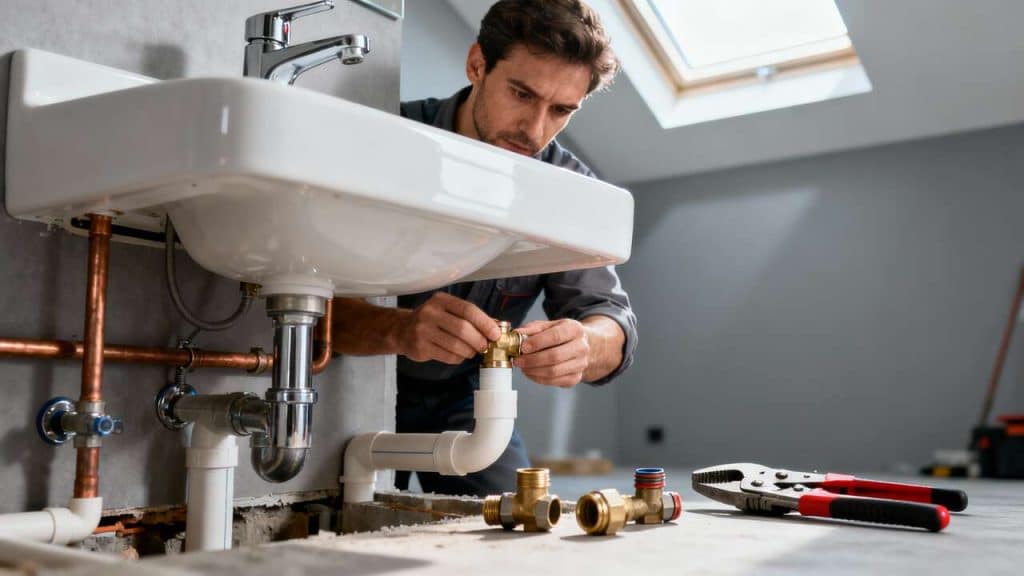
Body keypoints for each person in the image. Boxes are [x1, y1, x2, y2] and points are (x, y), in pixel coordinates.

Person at [331, 0, 637, 496]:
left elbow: (612, 322)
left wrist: (586, 344)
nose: (535, 130)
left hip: (469, 395)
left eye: (561, 110)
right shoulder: (389, 142)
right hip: (354, 376)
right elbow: (302, 304)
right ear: (477, 64)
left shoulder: (566, 188)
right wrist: (398, 329)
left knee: (519, 522)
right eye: (522, 94)